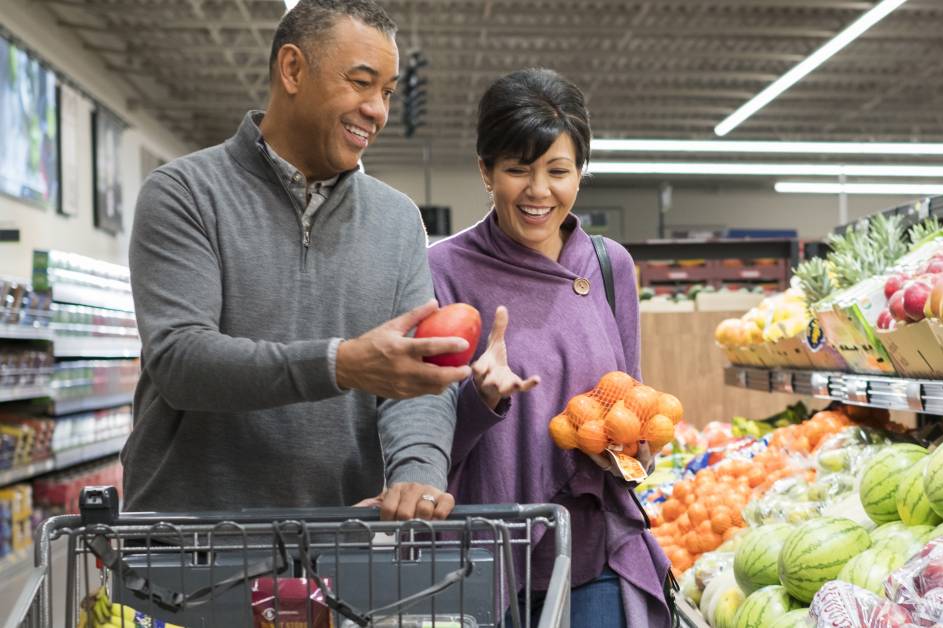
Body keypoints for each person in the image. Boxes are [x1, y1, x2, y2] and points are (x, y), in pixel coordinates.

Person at [123, 0, 531, 518]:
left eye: (386, 92)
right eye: (361, 83)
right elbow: (181, 362)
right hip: (192, 542)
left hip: (338, 535)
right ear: (292, 69)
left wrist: (417, 471)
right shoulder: (185, 194)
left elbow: (418, 379)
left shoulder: (397, 220)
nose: (378, 110)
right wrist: (341, 365)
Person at [423, 68, 671, 627]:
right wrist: (479, 399)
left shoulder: (609, 267)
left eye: (558, 171)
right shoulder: (441, 271)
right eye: (517, 170)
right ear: (484, 171)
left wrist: (634, 450)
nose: (539, 192)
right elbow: (419, 436)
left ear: (580, 175)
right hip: (482, 553)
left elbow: (625, 399)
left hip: (593, 546)